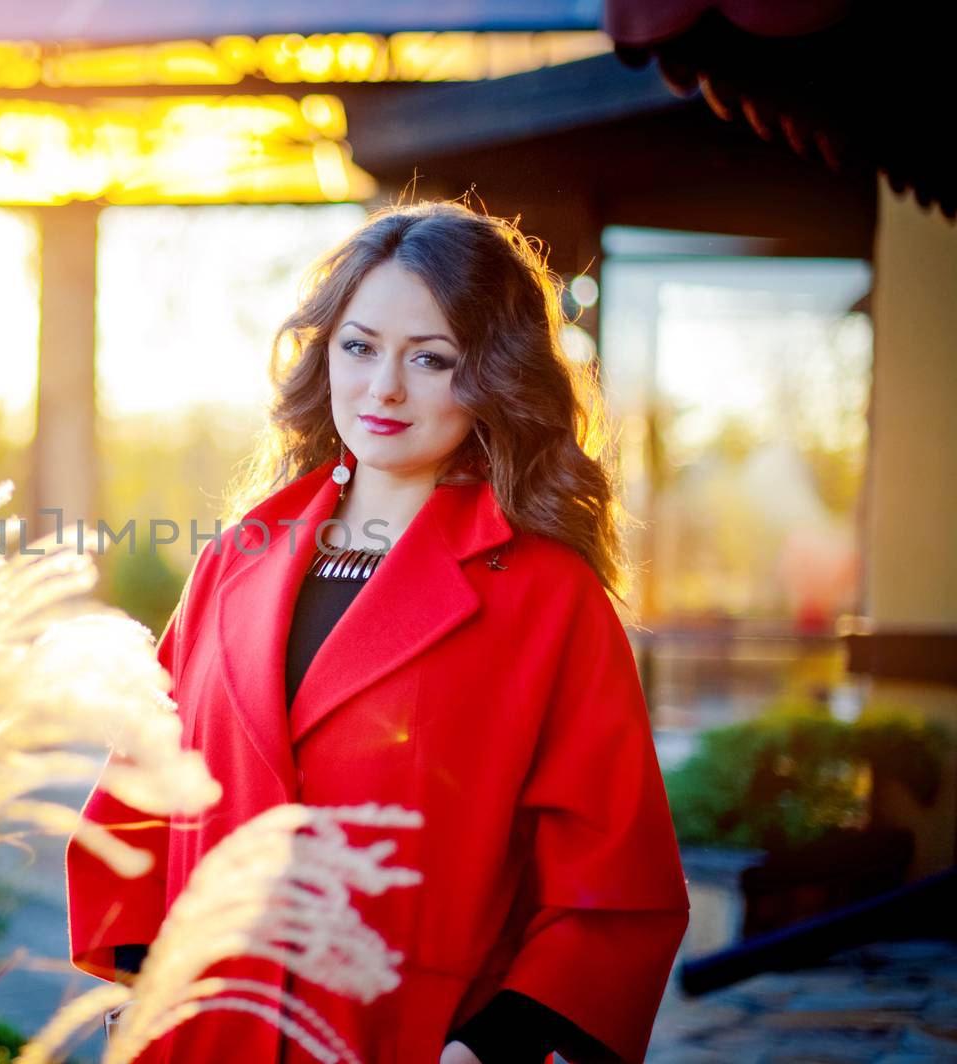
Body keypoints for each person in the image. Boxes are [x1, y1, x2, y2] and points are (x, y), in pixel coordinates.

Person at [65, 200, 690, 1064]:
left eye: (431, 359)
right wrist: (146, 992)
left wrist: (489, 1049)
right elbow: (139, 793)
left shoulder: (549, 598)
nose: (383, 388)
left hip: (403, 1037)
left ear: (495, 377)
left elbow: (614, 884)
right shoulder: (234, 560)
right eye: (359, 347)